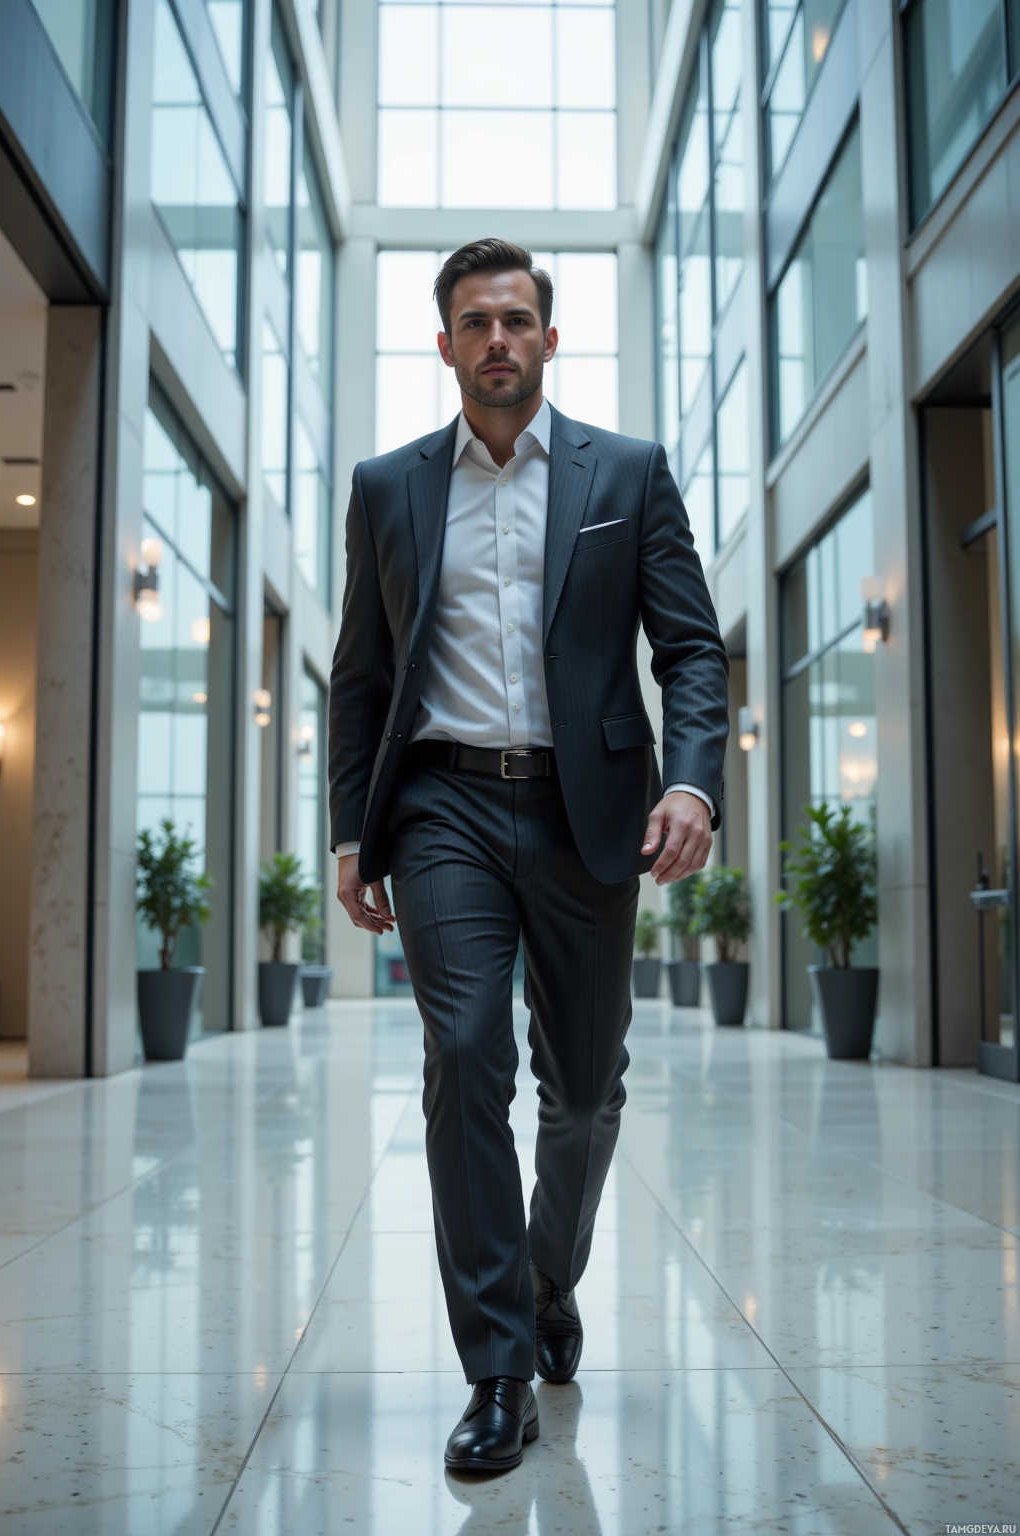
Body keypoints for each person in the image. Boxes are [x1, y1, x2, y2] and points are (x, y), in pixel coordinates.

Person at [329, 239, 729, 1473]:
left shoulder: (629, 472)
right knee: (461, 1054)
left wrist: (690, 781)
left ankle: (548, 1278)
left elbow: (692, 650)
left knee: (587, 1087)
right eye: (473, 321)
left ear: (551, 340)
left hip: (586, 808)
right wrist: (352, 827)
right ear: (442, 345)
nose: (496, 339)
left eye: (516, 319)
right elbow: (361, 672)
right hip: (443, 803)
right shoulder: (388, 487)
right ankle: (497, 1367)